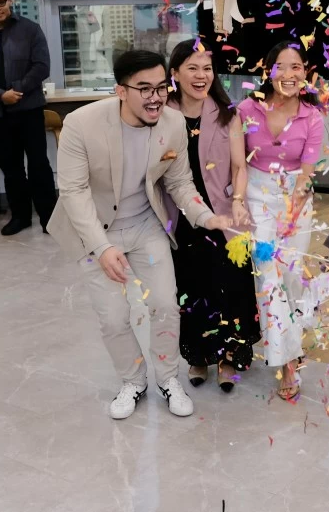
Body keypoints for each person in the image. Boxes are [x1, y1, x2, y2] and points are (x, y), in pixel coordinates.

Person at [48, 50, 235, 420]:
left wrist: (206, 217)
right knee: (113, 318)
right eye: (144, 89)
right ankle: (133, 381)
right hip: (97, 232)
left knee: (165, 305)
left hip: (147, 227)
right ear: (121, 91)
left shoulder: (173, 123)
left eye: (161, 87)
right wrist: (101, 248)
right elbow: (73, 192)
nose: (155, 97)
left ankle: (167, 378)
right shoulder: (80, 124)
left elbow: (179, 182)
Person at [163, 38, 258, 392]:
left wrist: (239, 199)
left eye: (207, 68)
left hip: (223, 214)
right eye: (192, 68)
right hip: (181, 217)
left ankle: (228, 356)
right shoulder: (163, 113)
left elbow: (239, 166)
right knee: (192, 288)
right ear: (175, 74)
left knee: (230, 288)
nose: (201, 75)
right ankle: (200, 356)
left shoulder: (226, 113)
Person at [236, 42, 325, 402]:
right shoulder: (247, 109)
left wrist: (293, 206)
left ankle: (290, 346)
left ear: (305, 73)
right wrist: (238, 201)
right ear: (268, 71)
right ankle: (286, 362)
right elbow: (237, 162)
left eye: (296, 67)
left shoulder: (312, 117)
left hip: (295, 201)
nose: (289, 74)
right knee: (267, 277)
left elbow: (307, 172)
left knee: (290, 276)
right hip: (256, 197)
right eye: (281, 67)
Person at [0, 0, 56, 236]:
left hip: (29, 109)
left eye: (1, 2)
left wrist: (16, 91)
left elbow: (42, 66)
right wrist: (0, 95)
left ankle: (50, 219)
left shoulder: (30, 30)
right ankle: (20, 216)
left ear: (10, 0)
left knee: (39, 165)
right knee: (10, 167)